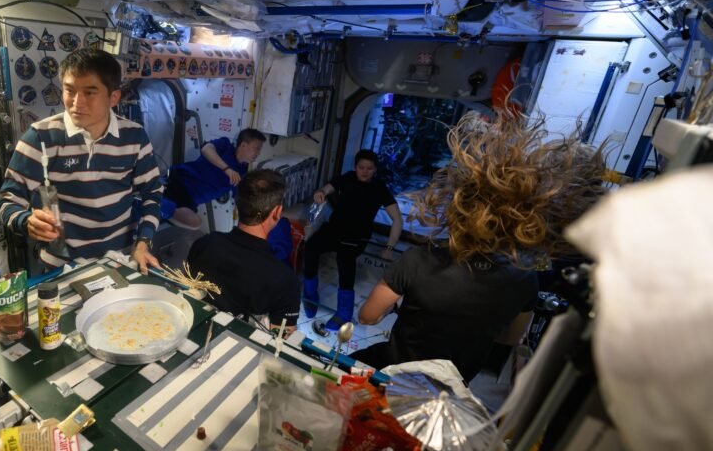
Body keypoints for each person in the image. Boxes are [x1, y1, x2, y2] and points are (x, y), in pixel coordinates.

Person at [353, 114, 606, 382]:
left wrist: (404, 306)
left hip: (394, 372)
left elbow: (367, 317)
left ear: (457, 211)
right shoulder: (525, 280)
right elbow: (509, 338)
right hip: (452, 385)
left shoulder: (418, 261)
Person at [0, 49, 163, 273]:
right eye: (70, 90)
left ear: (114, 97)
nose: (77, 102)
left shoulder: (134, 136)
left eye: (89, 92)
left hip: (120, 259)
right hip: (61, 266)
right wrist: (26, 221)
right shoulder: (40, 138)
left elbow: (152, 193)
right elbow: (8, 201)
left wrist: (143, 243)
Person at [187, 169, 300, 330]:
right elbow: (282, 336)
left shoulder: (205, 244)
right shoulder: (285, 280)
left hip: (195, 327)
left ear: (237, 203)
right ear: (277, 212)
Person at [302, 150, 402, 328]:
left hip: (357, 235)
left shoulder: (379, 187)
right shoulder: (348, 177)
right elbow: (326, 189)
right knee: (310, 249)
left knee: (345, 259)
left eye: (369, 168)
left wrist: (389, 247)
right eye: (361, 167)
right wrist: (320, 193)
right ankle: (310, 295)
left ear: (375, 170)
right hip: (334, 229)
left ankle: (344, 313)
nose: (365, 171)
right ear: (355, 167)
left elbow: (397, 219)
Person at [162, 128, 266, 229]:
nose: (258, 153)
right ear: (243, 145)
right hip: (182, 180)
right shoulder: (225, 145)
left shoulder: (242, 172)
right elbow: (206, 149)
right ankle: (159, 200)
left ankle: (161, 206)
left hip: (190, 199)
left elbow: (238, 197)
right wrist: (227, 169)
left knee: (195, 223)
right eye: (257, 148)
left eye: (260, 150)